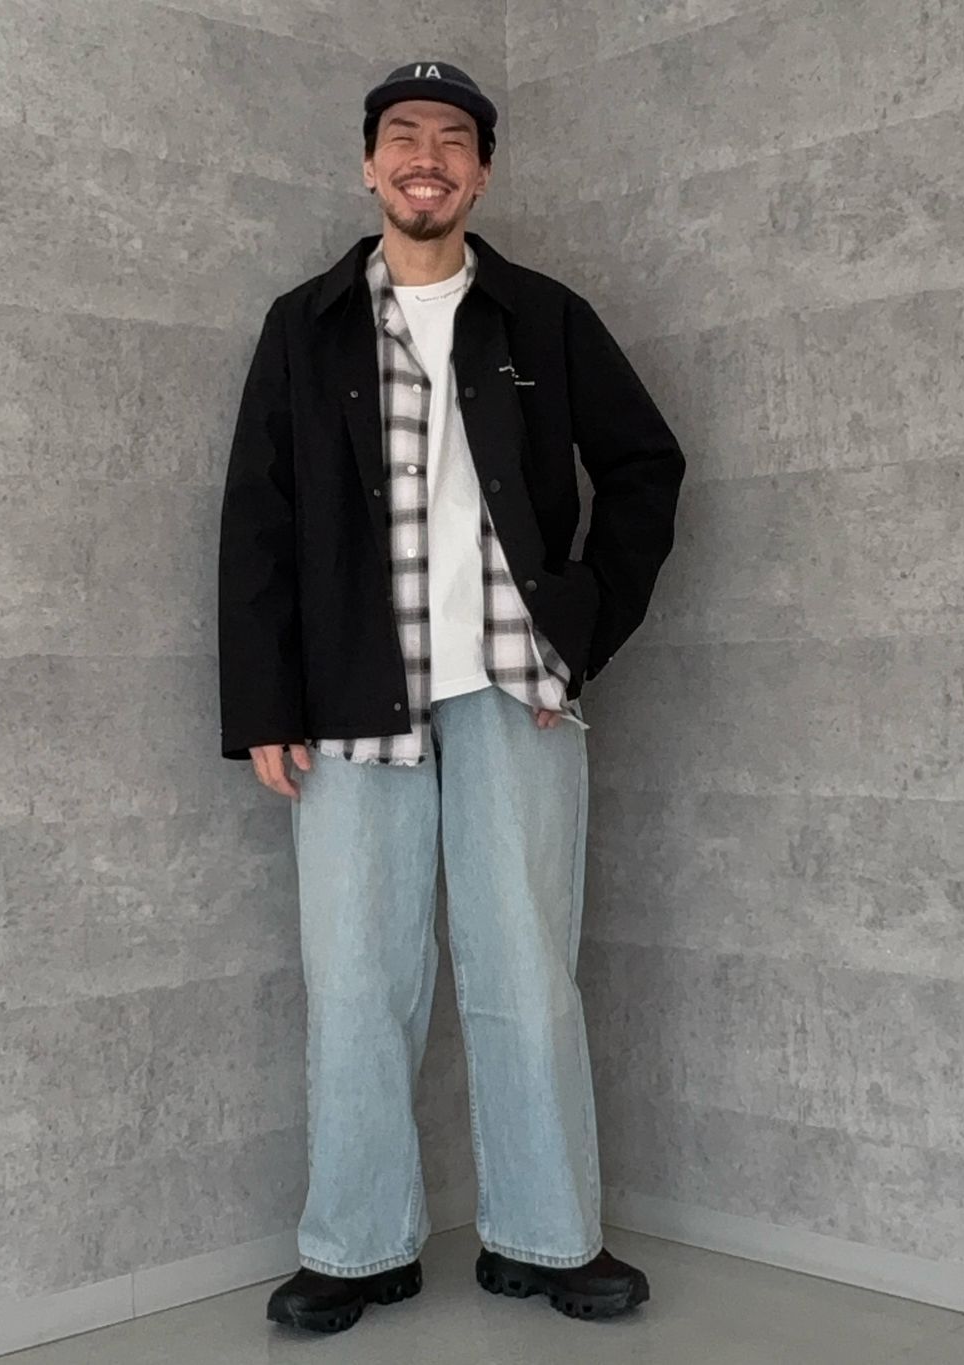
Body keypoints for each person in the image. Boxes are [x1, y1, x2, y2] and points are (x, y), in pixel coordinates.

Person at [217, 60, 686, 1335]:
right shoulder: (305, 326)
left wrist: (576, 631)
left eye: (453, 140)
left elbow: (644, 467)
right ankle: (355, 1247)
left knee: (526, 973)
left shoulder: (544, 316)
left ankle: (547, 1237)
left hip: (513, 693)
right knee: (356, 980)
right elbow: (257, 523)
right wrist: (266, 704)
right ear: (368, 165)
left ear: (480, 173)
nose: (426, 156)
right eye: (403, 136)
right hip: (348, 700)